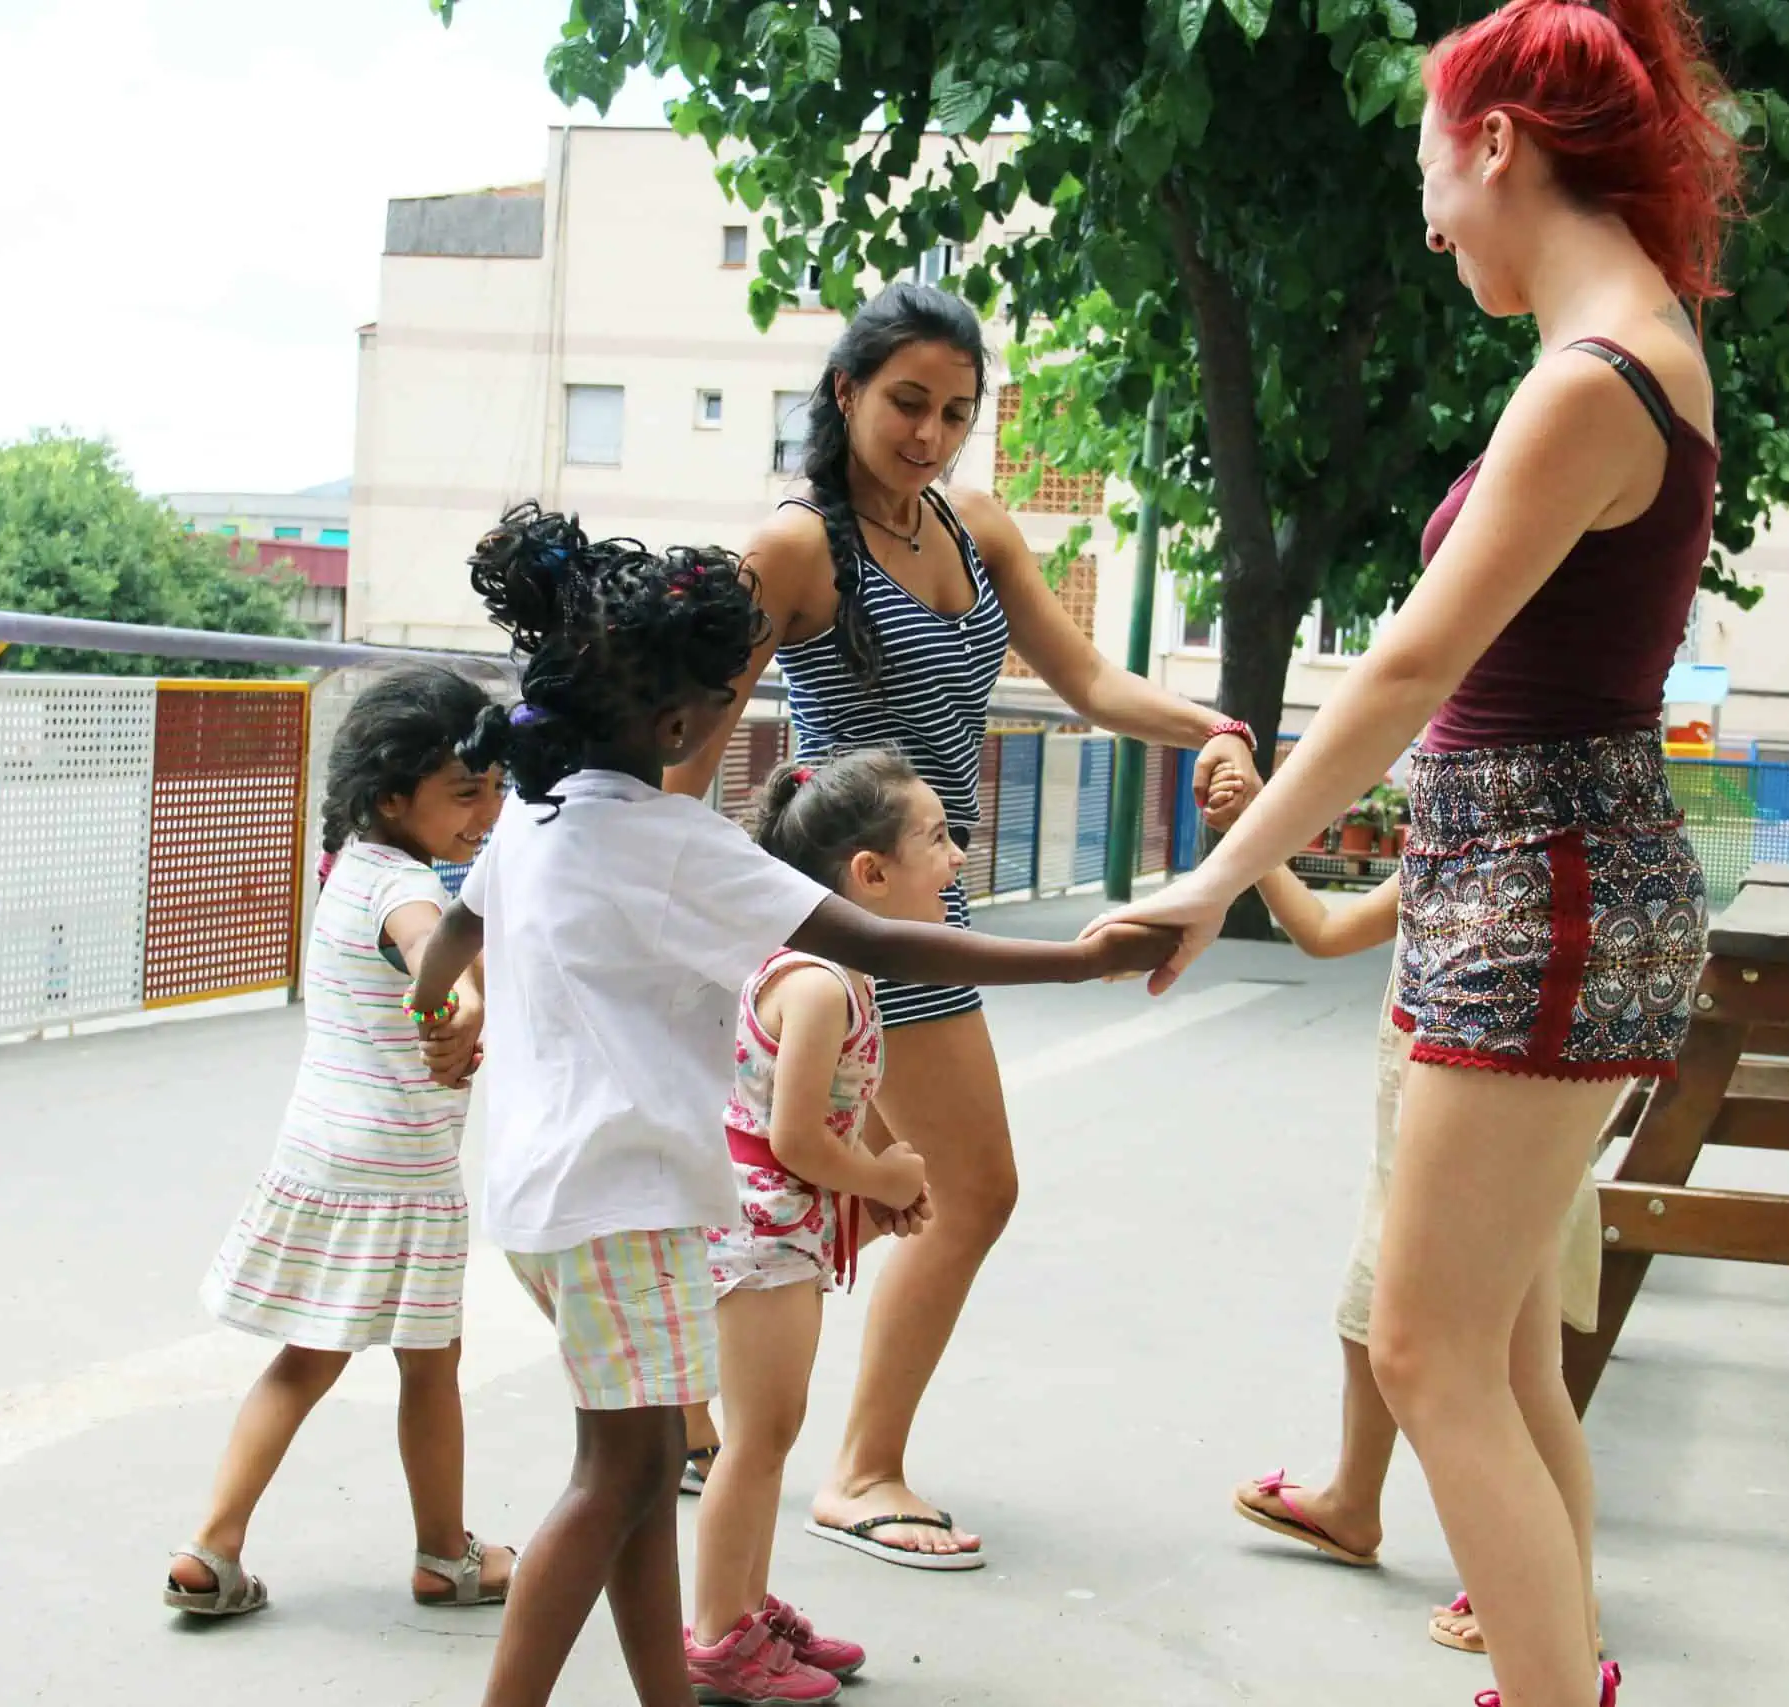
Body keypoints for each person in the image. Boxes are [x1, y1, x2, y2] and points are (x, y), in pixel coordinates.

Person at [1096, 2, 1738, 1702]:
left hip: (1543, 886)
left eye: (1431, 179)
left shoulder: (1597, 376)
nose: (1434, 226)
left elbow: (1408, 669)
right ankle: (1555, 1669)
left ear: (1498, 145)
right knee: (1503, 1354)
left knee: (1431, 1349)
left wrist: (1215, 878)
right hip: (1535, 878)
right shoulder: (1628, 347)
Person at [404, 505, 1176, 1707]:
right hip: (623, 1204)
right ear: (679, 722)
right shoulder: (673, 839)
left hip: (548, 1201)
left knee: (642, 1467)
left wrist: (436, 1015)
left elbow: (453, 936)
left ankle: (669, 1692)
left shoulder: (534, 822)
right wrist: (1080, 963)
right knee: (614, 1477)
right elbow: (881, 941)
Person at [665, 280, 1263, 1566]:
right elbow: (688, 754)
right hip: (851, 912)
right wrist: (686, 923)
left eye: (954, 411)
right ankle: (860, 1471)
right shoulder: (796, 548)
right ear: (844, 393)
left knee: (832, 1194)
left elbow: (1086, 679)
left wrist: (1213, 728)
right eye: (904, 404)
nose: (928, 434)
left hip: (927, 896)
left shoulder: (973, 525)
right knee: (966, 1190)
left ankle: (694, 1415)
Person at [165, 663, 514, 1619]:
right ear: (394, 796)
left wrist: (454, 1000)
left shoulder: (350, 866)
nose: (488, 811)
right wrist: (457, 1004)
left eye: (495, 787)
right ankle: (445, 1554)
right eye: (466, 793)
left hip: (321, 1156)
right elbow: (430, 950)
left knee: (304, 1360)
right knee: (430, 1367)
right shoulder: (405, 884)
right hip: (400, 1174)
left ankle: (212, 1545)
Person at [1217, 855, 1615, 1658]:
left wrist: (1235, 854)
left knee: (1491, 1372)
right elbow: (1327, 928)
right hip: (1441, 1096)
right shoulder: (1454, 839)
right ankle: (1540, 1601)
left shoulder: (1508, 838)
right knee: (1412, 1333)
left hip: (1486, 1085)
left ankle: (1554, 1609)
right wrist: (1250, 845)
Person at [687, 749, 964, 1701]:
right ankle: (718, 1635)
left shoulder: (844, 973)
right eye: (938, 838)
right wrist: (881, 1174)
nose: (957, 857)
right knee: (756, 1438)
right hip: (761, 1239)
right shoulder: (815, 985)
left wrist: (878, 1189)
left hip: (783, 1232)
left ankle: (746, 1608)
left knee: (772, 1431)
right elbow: (795, 1136)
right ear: (870, 873)